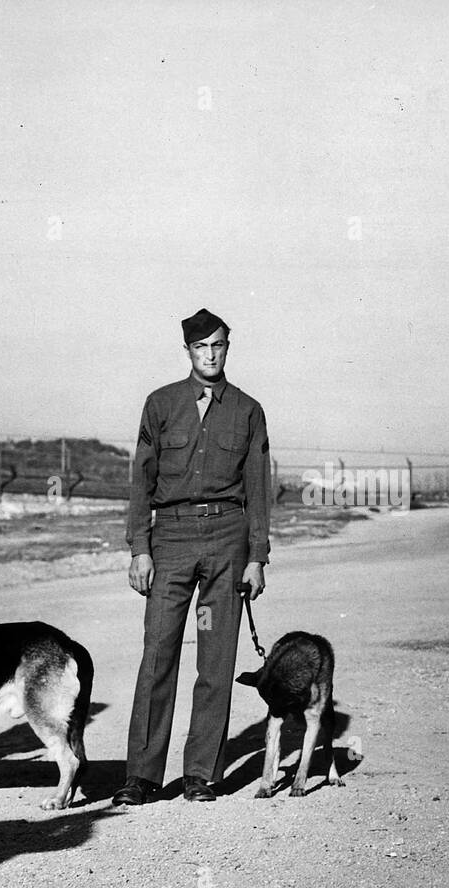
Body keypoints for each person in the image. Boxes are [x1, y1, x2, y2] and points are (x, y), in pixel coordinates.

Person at [113, 308, 270, 806]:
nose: (210, 354)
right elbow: (141, 481)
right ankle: (141, 774)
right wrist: (139, 547)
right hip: (172, 540)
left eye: (218, 346)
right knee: (158, 653)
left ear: (228, 348)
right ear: (187, 351)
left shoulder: (248, 410)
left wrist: (256, 556)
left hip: (226, 540)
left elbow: (259, 488)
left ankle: (201, 772)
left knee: (214, 657)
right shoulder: (160, 405)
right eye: (201, 347)